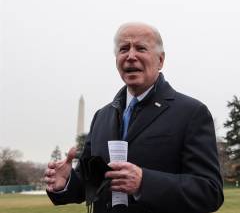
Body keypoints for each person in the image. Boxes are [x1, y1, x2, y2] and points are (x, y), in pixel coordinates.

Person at [44, 22, 224, 213]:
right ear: (116, 60)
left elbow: (210, 192)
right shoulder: (102, 116)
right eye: (123, 49)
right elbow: (90, 184)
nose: (130, 56)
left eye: (141, 48)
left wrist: (144, 183)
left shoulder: (191, 113)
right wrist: (66, 182)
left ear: (160, 60)